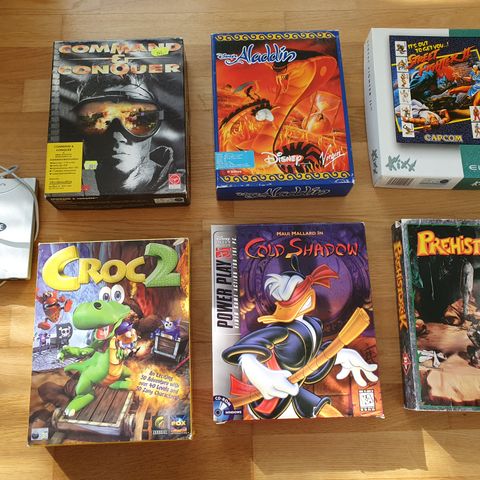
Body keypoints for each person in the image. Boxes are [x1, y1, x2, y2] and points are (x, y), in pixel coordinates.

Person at [74, 74, 175, 195]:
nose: (117, 136)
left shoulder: (181, 185)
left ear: (156, 125)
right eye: (97, 120)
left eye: (137, 119)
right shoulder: (69, 188)